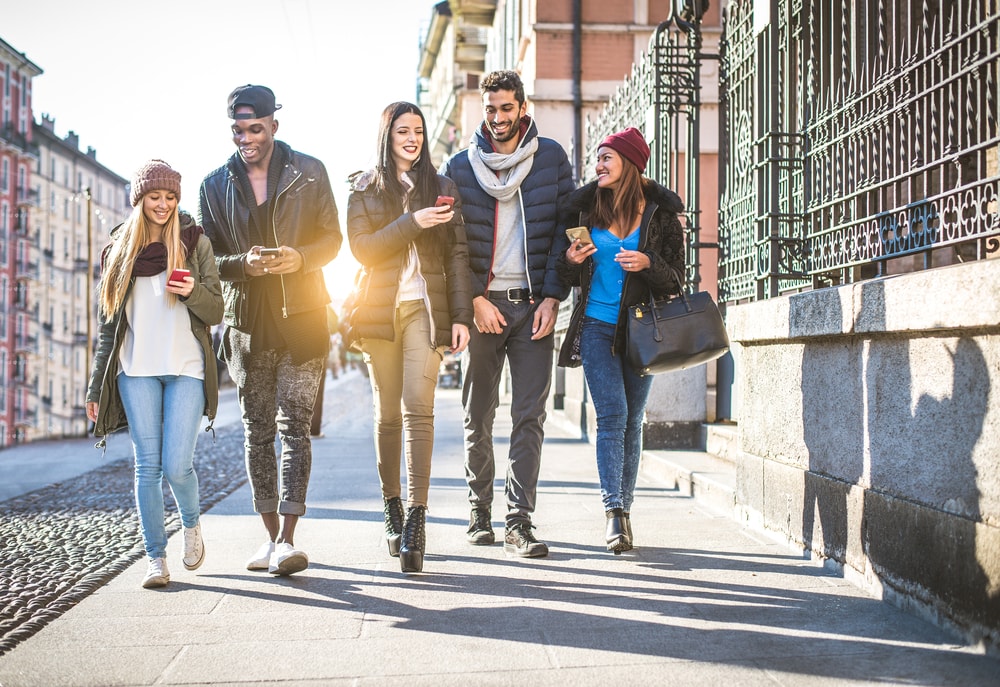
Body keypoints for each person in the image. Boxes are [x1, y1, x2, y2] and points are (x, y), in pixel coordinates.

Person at [198, 84, 342, 576]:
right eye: (239, 131)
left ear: (274, 126)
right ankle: (267, 537)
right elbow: (209, 261)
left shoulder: (310, 171)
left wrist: (300, 258)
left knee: (295, 428)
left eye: (255, 129)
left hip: (302, 320)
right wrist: (245, 265)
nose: (247, 139)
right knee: (257, 433)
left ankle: (287, 538)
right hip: (245, 326)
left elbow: (333, 240)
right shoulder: (213, 185)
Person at [440, 70, 575, 557]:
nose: (497, 119)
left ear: (522, 107)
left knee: (529, 416)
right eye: (490, 109)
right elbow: (449, 245)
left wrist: (553, 299)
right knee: (477, 414)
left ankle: (519, 521)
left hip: (532, 308)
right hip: (482, 309)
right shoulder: (459, 167)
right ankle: (479, 511)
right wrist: (473, 299)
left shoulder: (551, 159)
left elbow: (566, 232)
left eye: (506, 108)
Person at [347, 101, 473, 573]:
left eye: (418, 130)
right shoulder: (363, 188)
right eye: (404, 130)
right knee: (386, 415)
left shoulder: (443, 188)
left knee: (419, 407)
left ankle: (417, 517)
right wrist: (412, 222)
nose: (413, 138)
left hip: (426, 309)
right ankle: (392, 507)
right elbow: (363, 250)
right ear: (388, 135)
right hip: (379, 313)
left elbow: (458, 256)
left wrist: (460, 316)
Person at [86, 160, 224, 588]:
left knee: (177, 466)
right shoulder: (117, 253)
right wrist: (95, 386)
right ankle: (155, 557)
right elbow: (108, 327)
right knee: (146, 467)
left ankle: (191, 525)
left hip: (186, 369)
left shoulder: (193, 242)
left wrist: (191, 292)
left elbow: (217, 309)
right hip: (136, 371)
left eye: (169, 197)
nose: (163, 205)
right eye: (154, 197)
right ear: (140, 200)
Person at [555, 127, 685, 553]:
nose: (598, 166)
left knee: (633, 419)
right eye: (597, 158)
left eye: (607, 158)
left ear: (629, 163)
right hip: (595, 326)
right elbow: (566, 274)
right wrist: (571, 261)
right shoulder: (586, 209)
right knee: (612, 415)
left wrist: (648, 262)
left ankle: (624, 510)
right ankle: (614, 512)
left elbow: (676, 281)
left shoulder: (660, 216)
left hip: (641, 328)